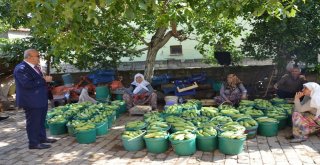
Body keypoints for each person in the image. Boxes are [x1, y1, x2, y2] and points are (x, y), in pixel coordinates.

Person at [14, 49, 57, 149]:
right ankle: (33, 143)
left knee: (41, 120)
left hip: (40, 98)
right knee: (33, 122)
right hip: (31, 100)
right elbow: (27, 84)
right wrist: (43, 79)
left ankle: (42, 138)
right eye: (37, 56)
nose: (39, 58)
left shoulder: (34, 67)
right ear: (29, 57)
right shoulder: (21, 68)